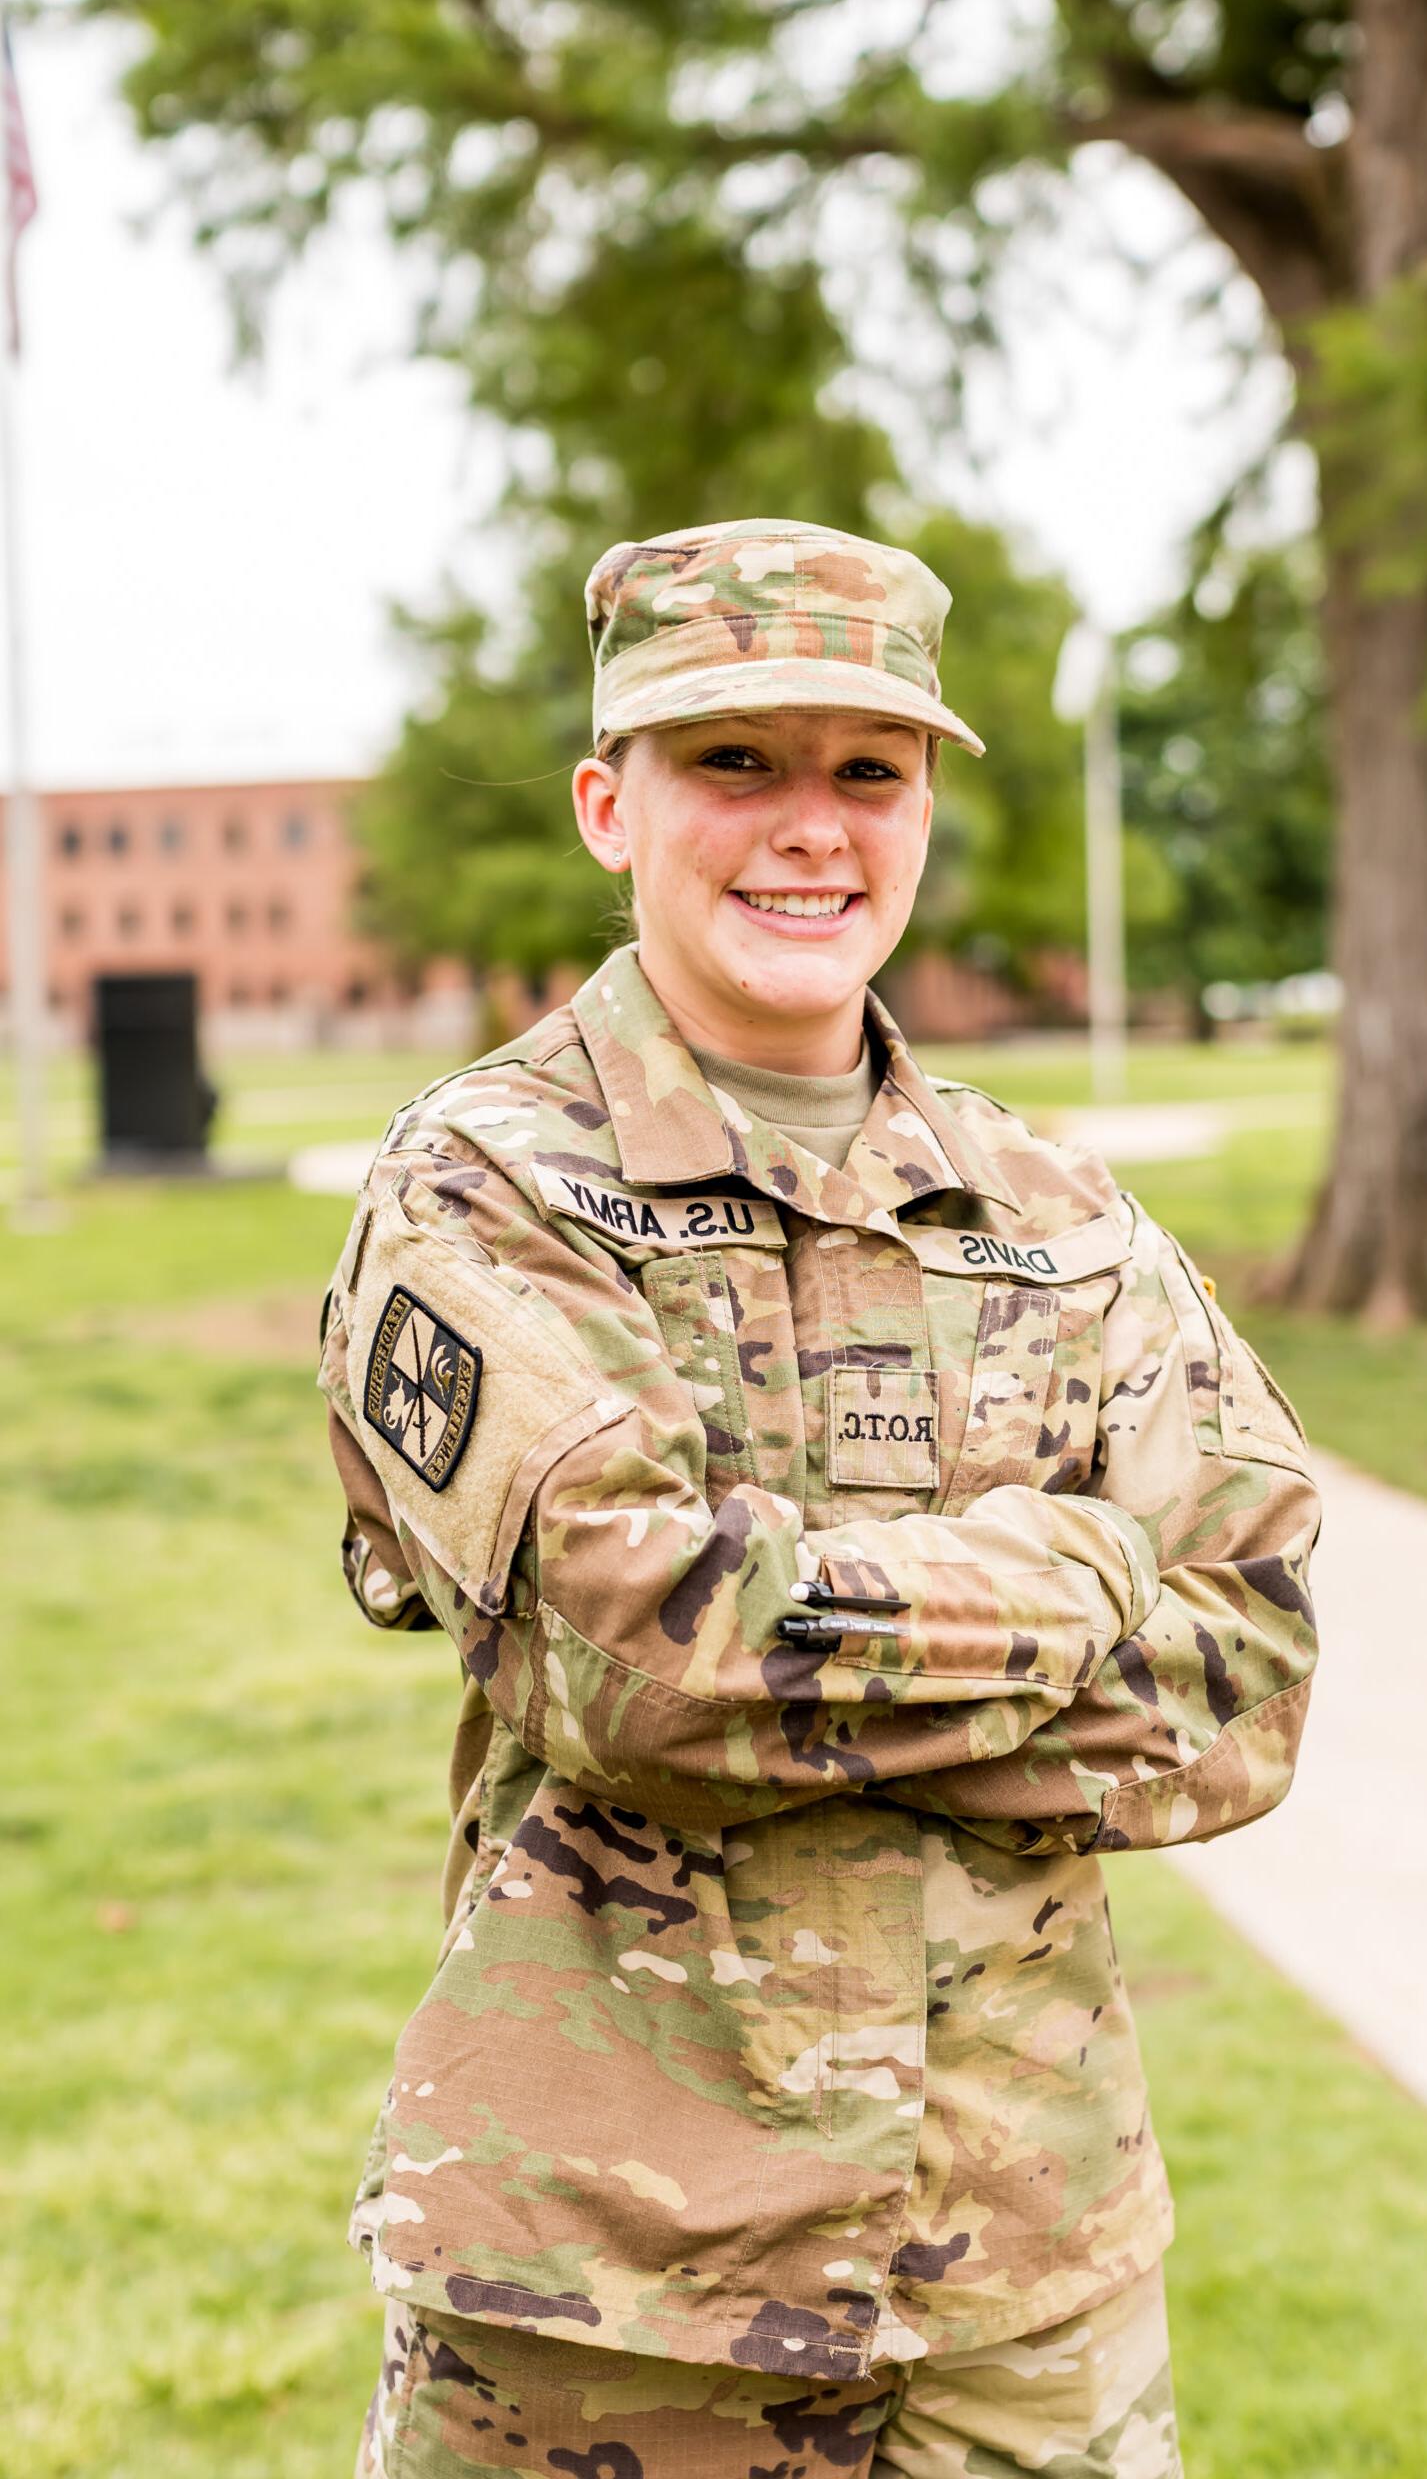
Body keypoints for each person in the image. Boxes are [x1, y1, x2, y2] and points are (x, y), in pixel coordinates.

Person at [319, 517, 1322, 2479]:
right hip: (610, 2297)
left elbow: (1254, 1676)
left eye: (866, 770)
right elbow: (650, 1659)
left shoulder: (1052, 1213)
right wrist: (1076, 1568)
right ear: (611, 802)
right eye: (735, 762)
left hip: (1024, 2282)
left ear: (926, 806)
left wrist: (822, 1634)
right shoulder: (480, 1187)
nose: (810, 826)